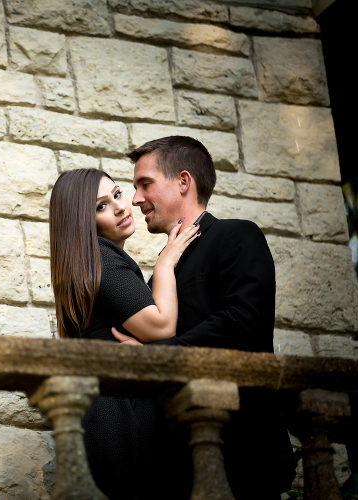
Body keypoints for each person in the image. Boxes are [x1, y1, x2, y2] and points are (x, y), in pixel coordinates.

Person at [111, 136, 296, 499]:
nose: (135, 199)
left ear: (183, 182)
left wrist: (156, 352)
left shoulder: (236, 236)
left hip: (240, 453)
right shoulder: (159, 276)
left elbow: (243, 323)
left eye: (145, 184)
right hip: (173, 464)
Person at [49, 168, 199, 499]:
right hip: (117, 412)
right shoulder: (102, 257)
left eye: (117, 195)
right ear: (81, 222)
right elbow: (161, 328)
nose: (120, 207)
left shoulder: (85, 263)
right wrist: (165, 264)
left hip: (99, 410)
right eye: (101, 206)